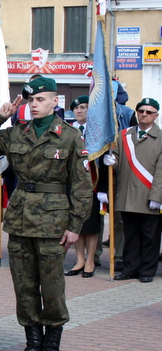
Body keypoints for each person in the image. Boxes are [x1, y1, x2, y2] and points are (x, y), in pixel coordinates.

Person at [0, 77, 92, 351]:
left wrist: (75, 225)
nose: (34, 105)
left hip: (54, 222)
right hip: (21, 219)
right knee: (24, 286)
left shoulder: (69, 136)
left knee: (51, 287)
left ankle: (51, 347)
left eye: (40, 100)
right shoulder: (16, 132)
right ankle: (32, 345)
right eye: (31, 100)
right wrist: (1, 116)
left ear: (55, 101)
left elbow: (81, 186)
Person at [104, 98, 161, 283]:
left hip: (149, 195)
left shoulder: (161, 138)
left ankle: (147, 271)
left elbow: (161, 171)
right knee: (131, 236)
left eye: (149, 112)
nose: (144, 114)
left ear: (156, 116)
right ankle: (130, 269)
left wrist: (157, 196)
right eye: (141, 110)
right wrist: (111, 161)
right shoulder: (124, 135)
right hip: (127, 196)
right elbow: (119, 159)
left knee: (149, 238)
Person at [65, 96, 101, 278]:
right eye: (76, 108)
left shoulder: (97, 132)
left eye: (83, 107)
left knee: (91, 225)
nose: (79, 111)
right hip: (72, 184)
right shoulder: (69, 130)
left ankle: (90, 260)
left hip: (92, 184)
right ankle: (79, 259)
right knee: (76, 224)